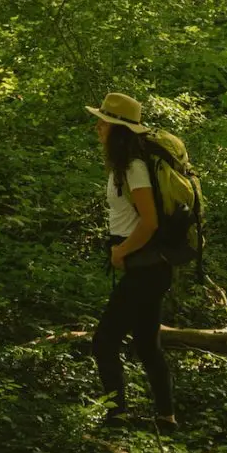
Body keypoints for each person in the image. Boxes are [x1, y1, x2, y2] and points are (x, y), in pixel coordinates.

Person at [86, 91, 176, 433]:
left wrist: (121, 252)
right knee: (146, 343)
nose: (98, 127)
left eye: (104, 122)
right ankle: (166, 418)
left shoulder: (135, 168)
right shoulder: (124, 167)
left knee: (104, 341)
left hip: (145, 266)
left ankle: (117, 417)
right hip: (148, 266)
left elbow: (150, 221)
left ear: (118, 130)